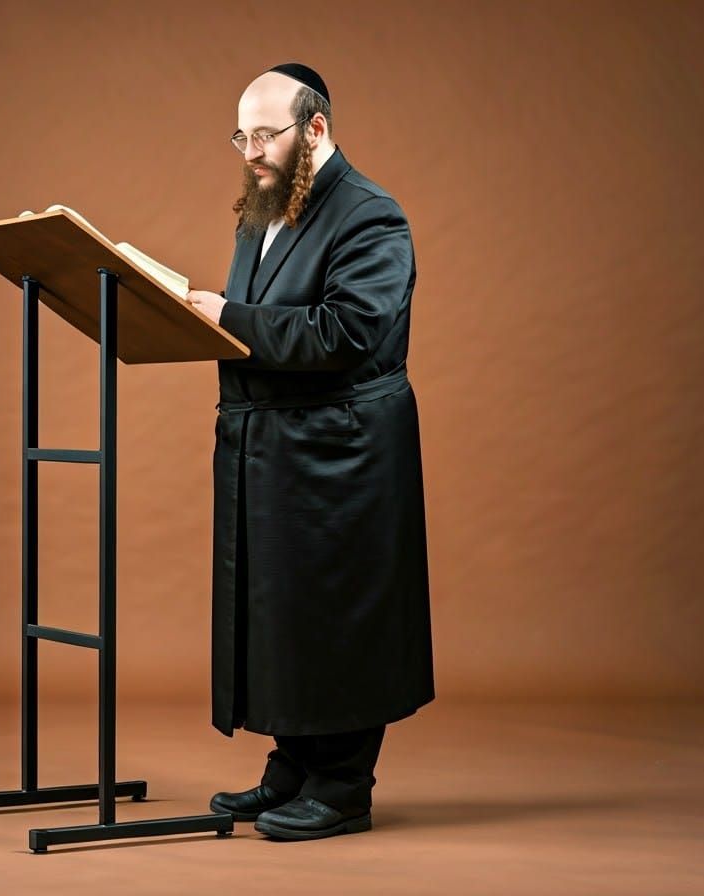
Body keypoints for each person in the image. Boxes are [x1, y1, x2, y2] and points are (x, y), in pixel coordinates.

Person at [185, 62, 434, 842]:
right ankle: (291, 769)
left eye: (265, 135)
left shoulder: (372, 216)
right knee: (283, 612)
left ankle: (342, 786)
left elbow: (346, 332)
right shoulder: (263, 208)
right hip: (273, 445)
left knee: (339, 617)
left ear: (315, 128)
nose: (251, 151)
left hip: (343, 451)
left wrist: (225, 313)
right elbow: (262, 318)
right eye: (242, 136)